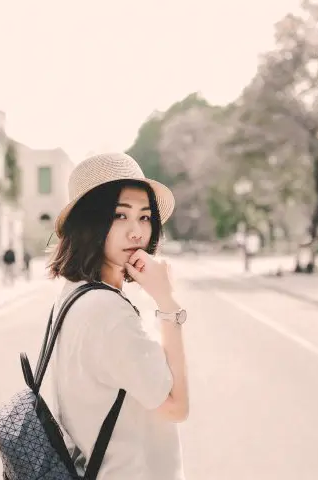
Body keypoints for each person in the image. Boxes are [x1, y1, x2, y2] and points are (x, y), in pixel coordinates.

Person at [47, 152, 188, 480]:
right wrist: (167, 302)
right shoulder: (106, 311)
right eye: (119, 216)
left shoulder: (73, 294)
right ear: (89, 222)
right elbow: (177, 406)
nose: (137, 232)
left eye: (145, 216)